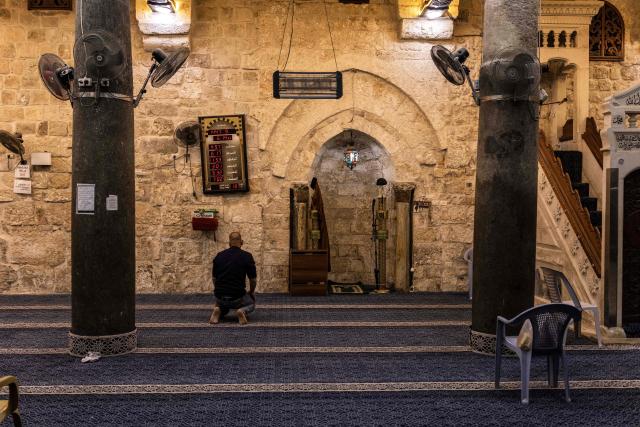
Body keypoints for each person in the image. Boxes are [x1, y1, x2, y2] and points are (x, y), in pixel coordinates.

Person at [209, 232, 257, 325]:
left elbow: (214, 278)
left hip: (219, 296)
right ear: (242, 242)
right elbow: (253, 279)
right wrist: (251, 292)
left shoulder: (219, 255)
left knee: (224, 305)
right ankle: (242, 311)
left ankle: (218, 309)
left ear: (229, 243)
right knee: (251, 303)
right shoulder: (247, 256)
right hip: (237, 297)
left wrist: (219, 290)